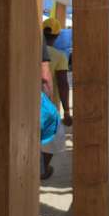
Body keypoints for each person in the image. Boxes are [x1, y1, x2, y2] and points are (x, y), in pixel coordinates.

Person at [41, 18, 71, 179]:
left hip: (27, 103)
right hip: (48, 105)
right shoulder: (60, 56)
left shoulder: (31, 49)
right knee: (52, 140)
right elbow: (63, 84)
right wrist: (66, 111)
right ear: (58, 35)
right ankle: (43, 169)